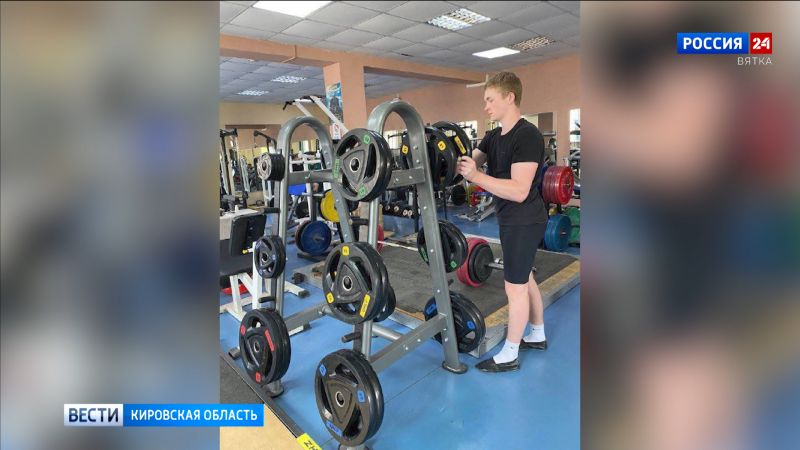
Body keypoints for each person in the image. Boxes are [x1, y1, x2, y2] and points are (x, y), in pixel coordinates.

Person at [457, 72, 548, 373]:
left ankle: (510, 354)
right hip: (509, 219)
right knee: (525, 278)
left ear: (510, 97)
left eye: (490, 100)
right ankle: (537, 333)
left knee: (515, 287)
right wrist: (452, 162)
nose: (485, 107)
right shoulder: (493, 137)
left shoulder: (527, 135)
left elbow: (520, 191)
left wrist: (476, 176)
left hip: (524, 220)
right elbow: (469, 163)